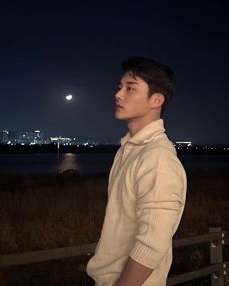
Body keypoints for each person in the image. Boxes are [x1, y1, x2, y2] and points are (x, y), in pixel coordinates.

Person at [86, 57, 187, 286]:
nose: (118, 94)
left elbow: (152, 244)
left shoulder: (157, 158)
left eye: (130, 88)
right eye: (119, 87)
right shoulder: (129, 150)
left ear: (156, 100)